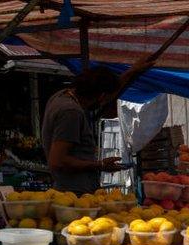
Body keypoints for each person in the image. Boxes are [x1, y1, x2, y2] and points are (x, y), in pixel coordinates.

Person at [42, 63, 151, 194]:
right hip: (74, 194)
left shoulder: (61, 96)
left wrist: (131, 72)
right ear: (101, 96)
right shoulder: (71, 112)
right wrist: (101, 165)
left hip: (73, 190)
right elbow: (57, 161)